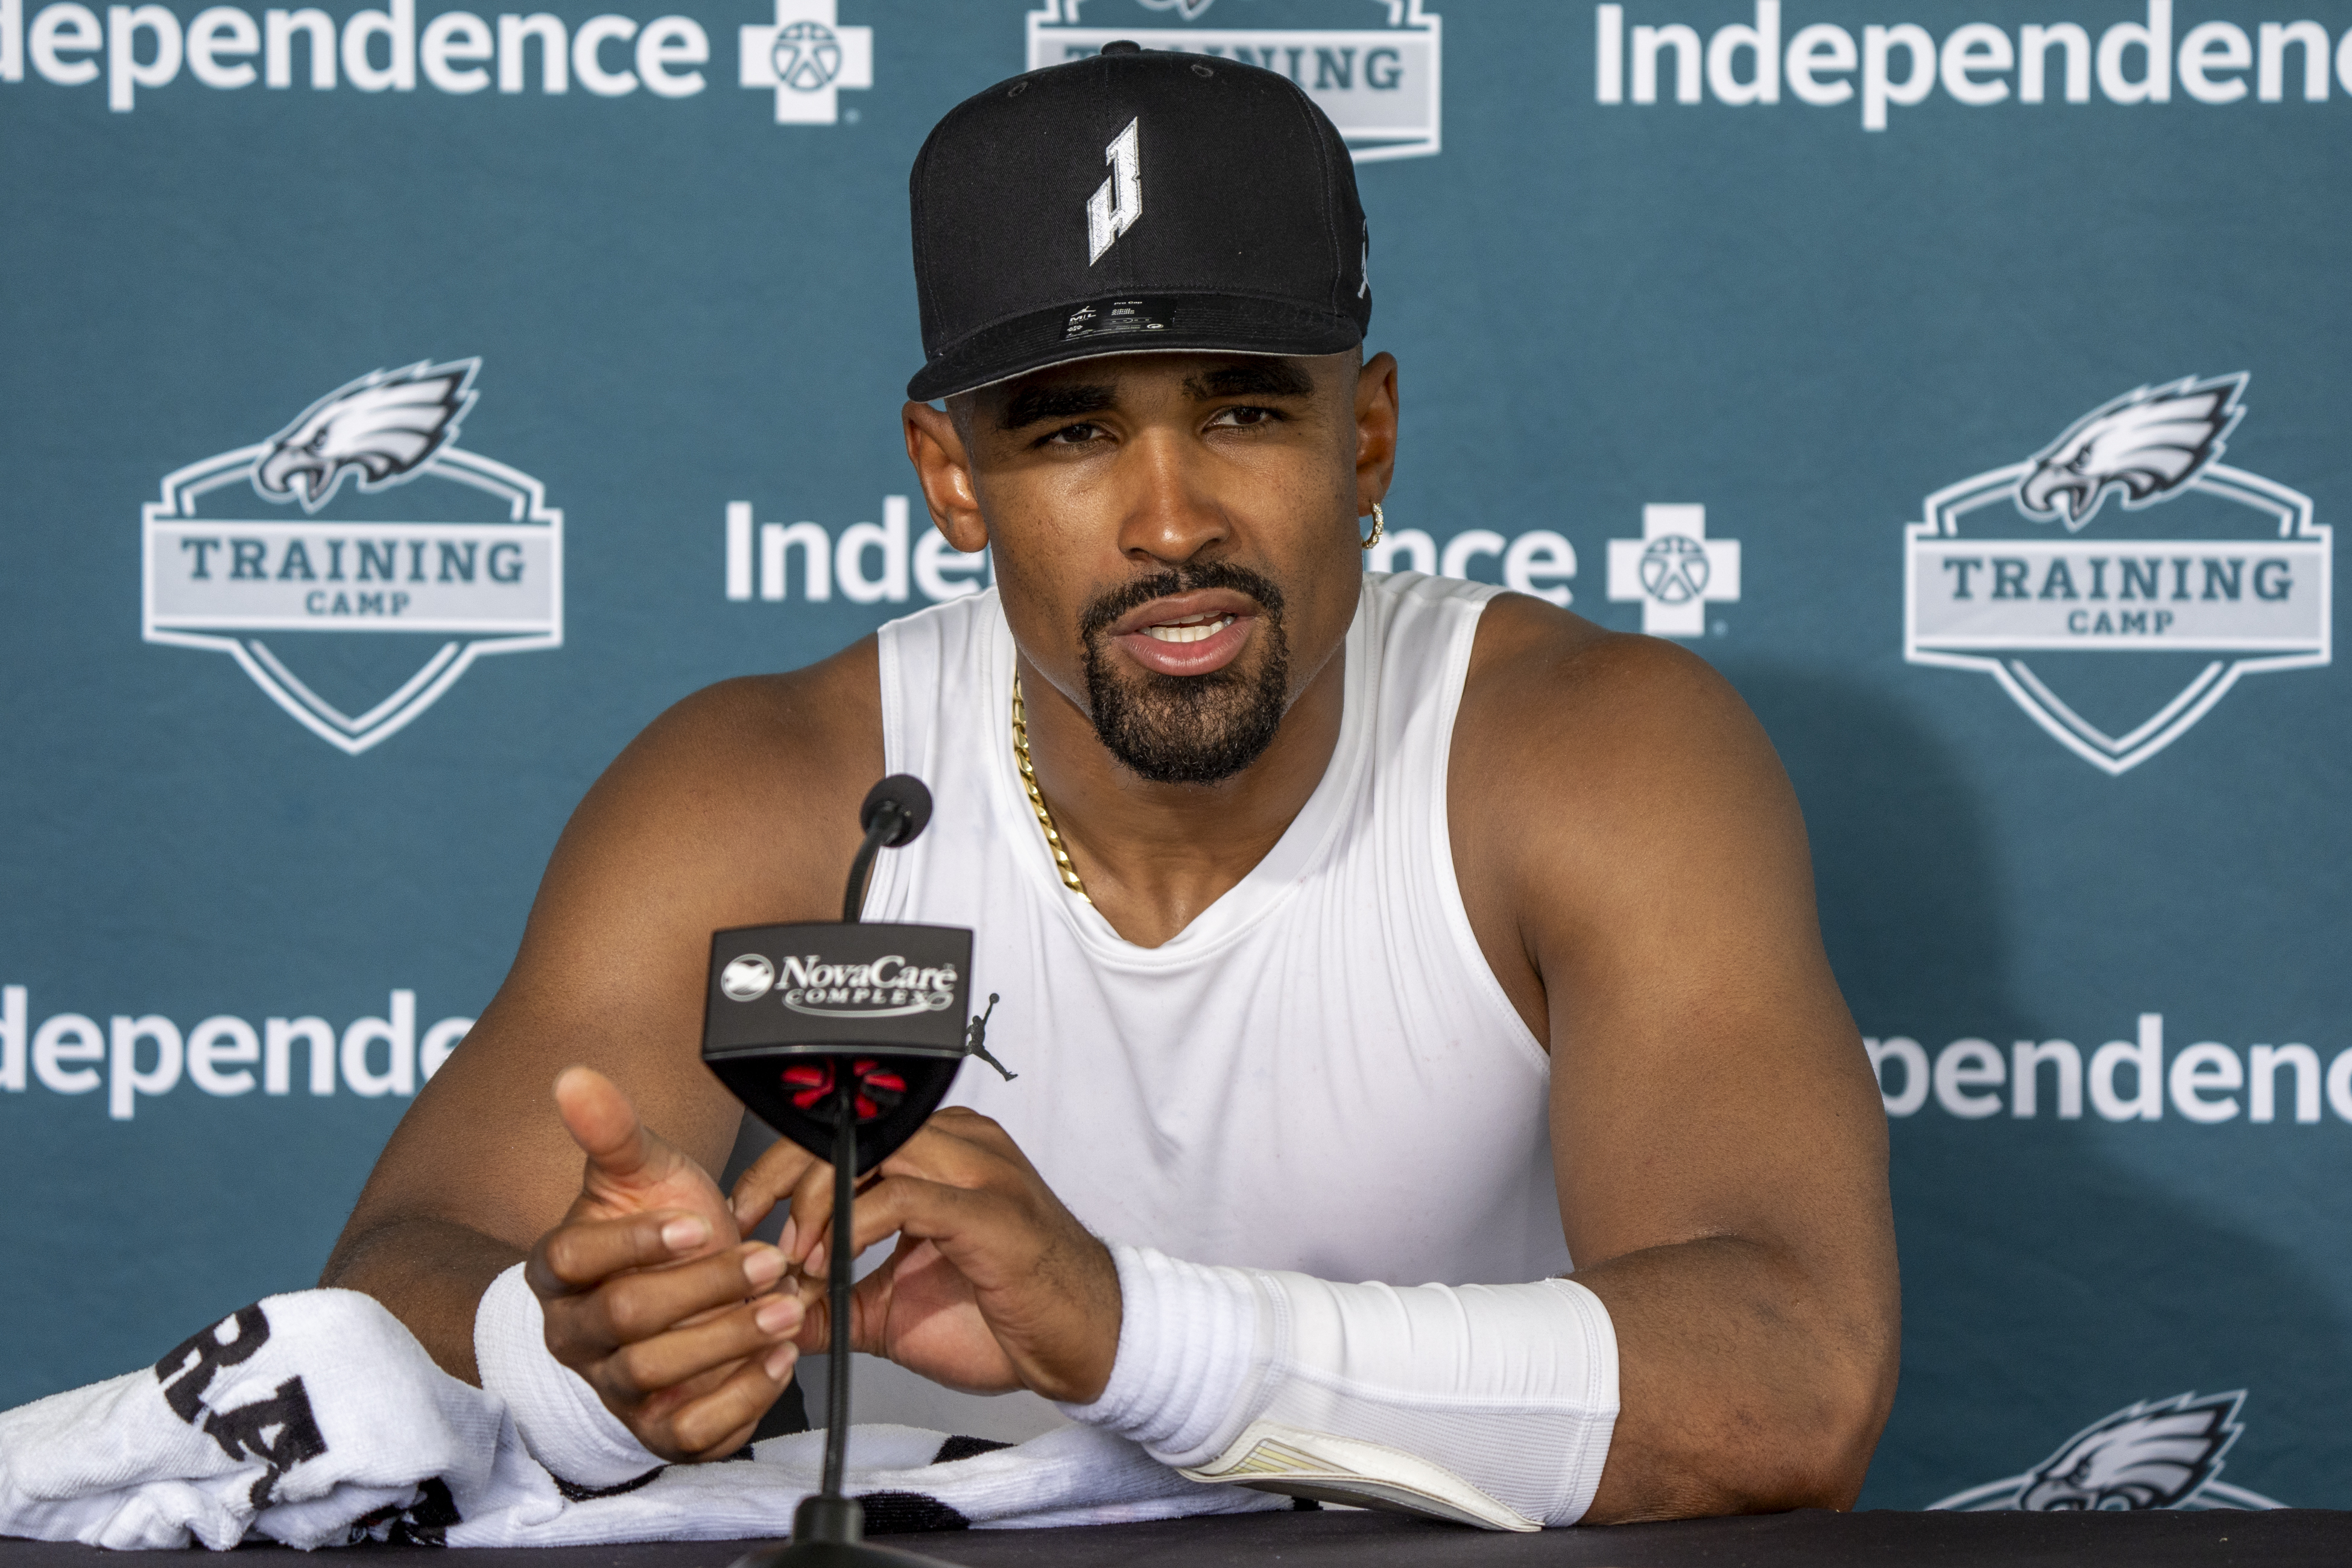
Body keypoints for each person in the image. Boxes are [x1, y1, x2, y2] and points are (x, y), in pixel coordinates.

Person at [324, 43, 1897, 1529]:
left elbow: (1793, 1380)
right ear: (952, 478)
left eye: (1243, 409)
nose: (1169, 518)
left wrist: (1126, 1327)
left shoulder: (1579, 752)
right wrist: (585, 1351)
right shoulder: (781, 788)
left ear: (1366, 439)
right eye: (1072, 429)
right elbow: (403, 1271)